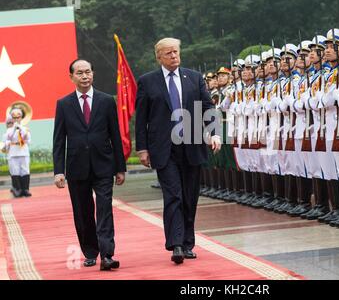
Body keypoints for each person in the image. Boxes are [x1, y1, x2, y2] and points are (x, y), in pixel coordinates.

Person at [135, 38, 221, 264]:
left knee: (190, 196)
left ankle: (188, 241)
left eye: (176, 52)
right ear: (159, 57)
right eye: (169, 53)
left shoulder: (193, 77)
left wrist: (215, 133)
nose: (174, 56)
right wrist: (142, 148)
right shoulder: (147, 82)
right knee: (173, 195)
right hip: (163, 148)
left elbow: (207, 107)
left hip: (191, 143)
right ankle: (176, 244)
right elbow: (141, 118)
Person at [53, 59, 126, 271]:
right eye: (80, 73)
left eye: (88, 72)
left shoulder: (105, 101)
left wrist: (120, 167)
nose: (84, 76)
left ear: (93, 74)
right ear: (71, 77)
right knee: (83, 212)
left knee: (104, 210)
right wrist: (59, 171)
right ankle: (90, 251)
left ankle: (107, 254)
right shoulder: (64, 104)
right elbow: (59, 140)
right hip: (76, 167)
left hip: (103, 165)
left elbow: (115, 134)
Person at [5, 108, 32, 198]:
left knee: (25, 170)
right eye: (14, 117)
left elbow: (28, 139)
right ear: (12, 118)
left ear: (21, 117)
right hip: (13, 152)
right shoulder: (9, 130)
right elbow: (8, 138)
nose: (16, 119)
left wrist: (20, 128)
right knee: (15, 171)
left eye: (18, 117)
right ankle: (17, 189)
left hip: (23, 151)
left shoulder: (25, 128)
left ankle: (26, 189)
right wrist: (14, 129)